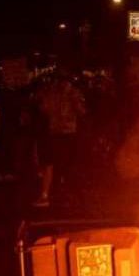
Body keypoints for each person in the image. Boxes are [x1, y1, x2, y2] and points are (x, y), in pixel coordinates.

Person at [34, 71, 85, 207]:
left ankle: (61, 194)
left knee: (57, 164)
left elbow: (44, 109)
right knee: (60, 164)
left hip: (61, 133)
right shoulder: (69, 93)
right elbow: (81, 111)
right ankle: (62, 194)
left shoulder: (60, 93)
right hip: (62, 133)